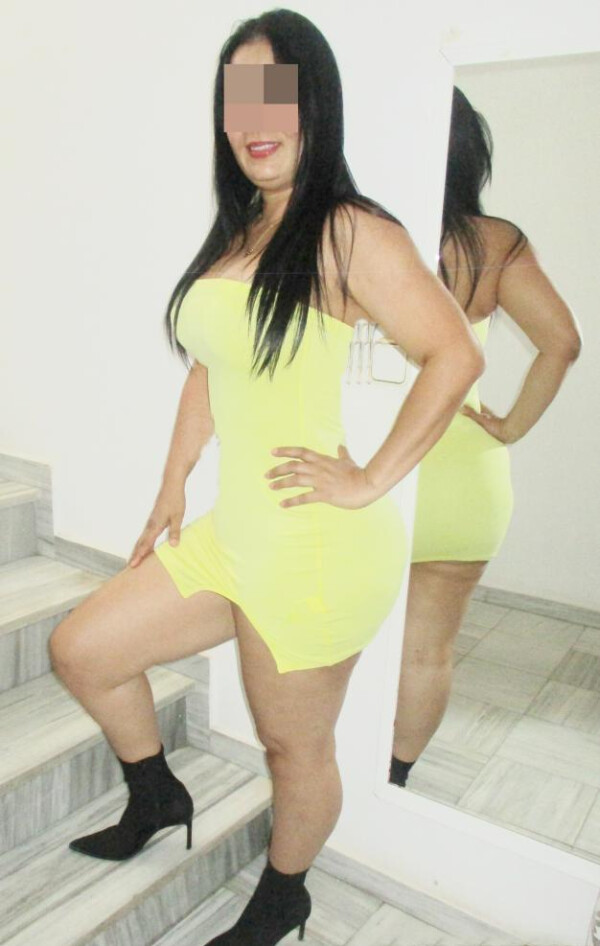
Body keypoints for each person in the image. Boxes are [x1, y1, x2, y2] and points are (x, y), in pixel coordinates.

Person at [48, 13, 485, 946]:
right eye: (238, 97)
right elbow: (212, 369)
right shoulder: (244, 229)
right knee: (84, 649)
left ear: (313, 102)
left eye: (274, 92)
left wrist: (368, 480)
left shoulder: (350, 231)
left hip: (316, 550)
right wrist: (172, 486)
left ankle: (285, 896)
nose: (254, 118)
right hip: (237, 531)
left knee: (294, 747)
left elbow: (454, 354)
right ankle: (157, 795)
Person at [389, 86, 582, 789]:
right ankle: (394, 781)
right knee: (427, 654)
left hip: (373, 471)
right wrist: (508, 428)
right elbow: (562, 343)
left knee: (337, 639)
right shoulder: (495, 243)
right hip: (464, 479)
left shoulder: (358, 234)